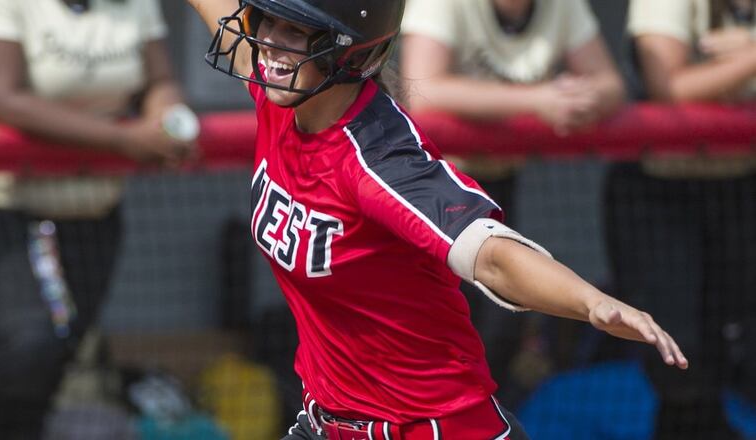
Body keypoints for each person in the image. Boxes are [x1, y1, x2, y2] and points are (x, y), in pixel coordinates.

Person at [188, 0, 687, 438]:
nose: (268, 42)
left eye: (294, 30)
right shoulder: (284, 92)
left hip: (434, 428)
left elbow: (489, 255)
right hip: (328, 423)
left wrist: (591, 303)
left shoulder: (380, 160)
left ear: (350, 52)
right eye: (267, 20)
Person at [0, 0, 195, 438]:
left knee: (56, 357)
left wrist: (166, 117)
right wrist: (122, 139)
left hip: (94, 210)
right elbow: (0, 98)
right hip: (6, 208)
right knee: (27, 349)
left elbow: (160, 80)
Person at [399, 0, 626, 405]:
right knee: (429, 339)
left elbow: (611, 85)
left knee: (494, 334)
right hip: (426, 187)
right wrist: (536, 100)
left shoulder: (560, 7)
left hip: (498, 185)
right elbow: (423, 90)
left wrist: (576, 99)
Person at [605, 0, 756, 438]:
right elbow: (668, 85)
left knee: (733, 343)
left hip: (741, 187)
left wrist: (741, 53)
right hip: (660, 193)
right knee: (677, 354)